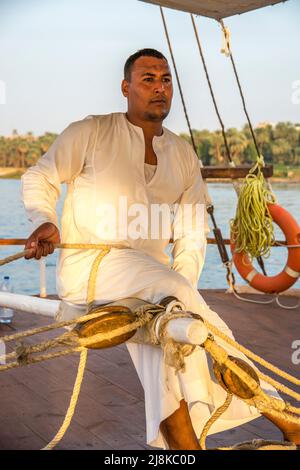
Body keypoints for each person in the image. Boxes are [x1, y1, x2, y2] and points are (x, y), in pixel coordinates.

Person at [21, 48, 300, 450]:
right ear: (126, 87)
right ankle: (284, 417)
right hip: (93, 269)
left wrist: (180, 296)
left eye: (166, 79)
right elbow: (40, 176)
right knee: (190, 318)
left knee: (169, 344)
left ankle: (185, 448)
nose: (159, 88)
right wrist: (42, 219)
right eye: (148, 79)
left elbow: (190, 231)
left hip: (155, 284)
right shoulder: (91, 132)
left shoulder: (183, 153)